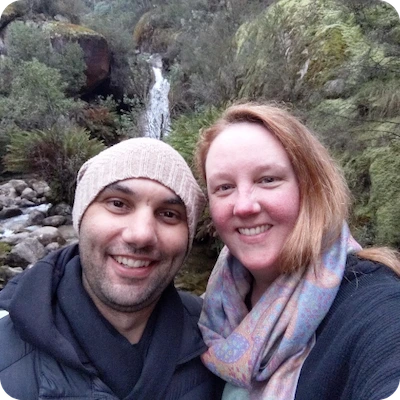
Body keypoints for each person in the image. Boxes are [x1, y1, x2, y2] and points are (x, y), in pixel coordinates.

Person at [195, 103, 400, 400]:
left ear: (311, 186)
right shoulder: (209, 314)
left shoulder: (376, 304)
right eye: (224, 187)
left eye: (268, 180)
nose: (244, 205)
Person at [0, 138, 224, 400]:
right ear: (81, 217)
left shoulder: (216, 337)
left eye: (169, 214)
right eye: (118, 203)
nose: (140, 235)